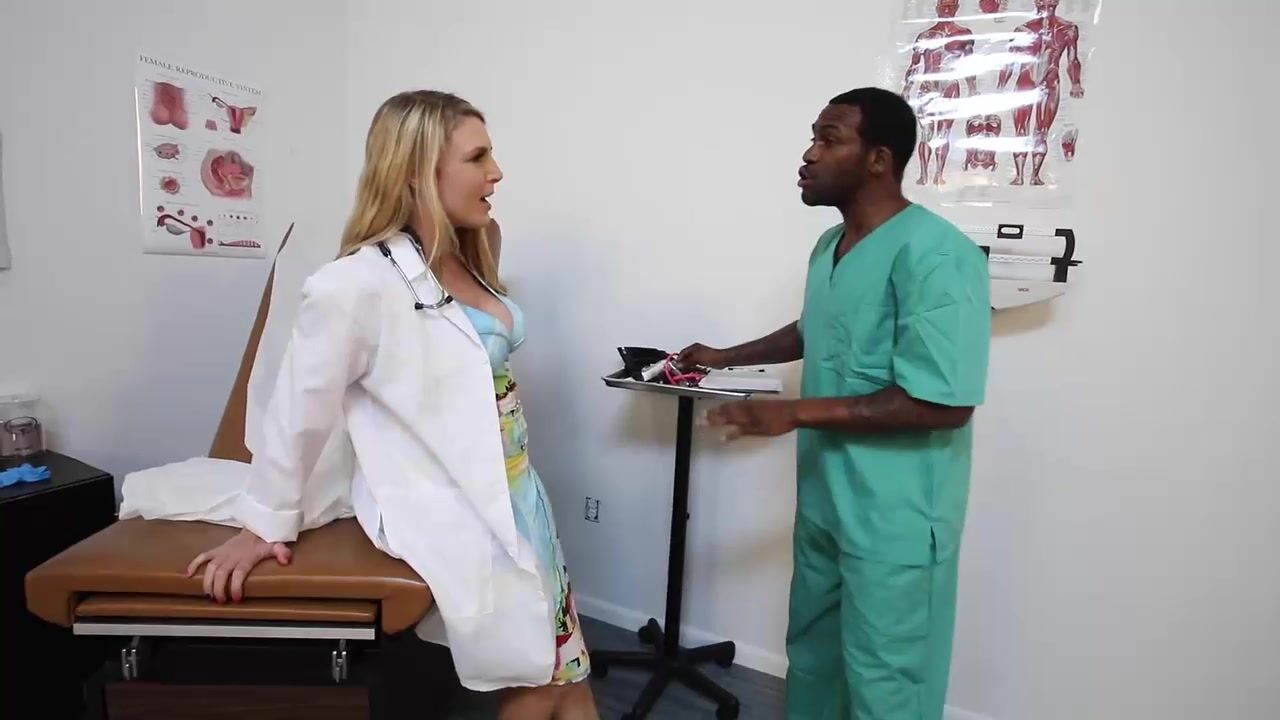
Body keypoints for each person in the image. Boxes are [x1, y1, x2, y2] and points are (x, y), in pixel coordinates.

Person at [185, 90, 598, 720]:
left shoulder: (473, 248)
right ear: (415, 172)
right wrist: (262, 524)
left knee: (567, 671)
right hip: (460, 504)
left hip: (520, 494)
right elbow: (297, 414)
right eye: (477, 157)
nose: (497, 172)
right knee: (544, 677)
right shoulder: (353, 285)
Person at [678, 87, 990, 720]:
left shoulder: (938, 255)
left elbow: (944, 403)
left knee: (887, 681)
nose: (809, 154)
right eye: (812, 138)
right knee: (814, 659)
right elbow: (814, 330)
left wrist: (793, 412)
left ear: (878, 159)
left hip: (897, 515)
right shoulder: (829, 246)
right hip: (826, 500)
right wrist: (723, 356)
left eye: (828, 139)